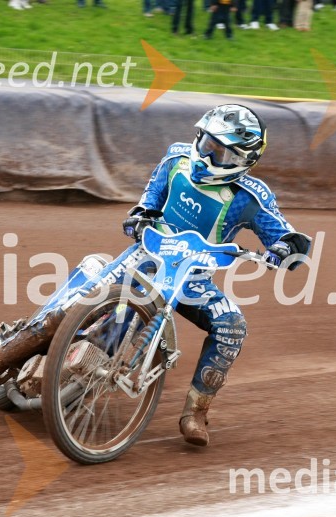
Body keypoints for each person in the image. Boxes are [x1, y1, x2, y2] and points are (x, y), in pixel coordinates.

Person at [122, 105, 312, 446]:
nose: (208, 153)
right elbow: (152, 194)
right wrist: (142, 213)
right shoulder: (176, 159)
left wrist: (285, 249)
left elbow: (284, 233)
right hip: (147, 257)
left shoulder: (250, 197)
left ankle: (195, 411)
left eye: (220, 150)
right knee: (87, 286)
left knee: (232, 326)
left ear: (244, 159)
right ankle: (12, 350)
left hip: (193, 280)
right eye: (207, 142)